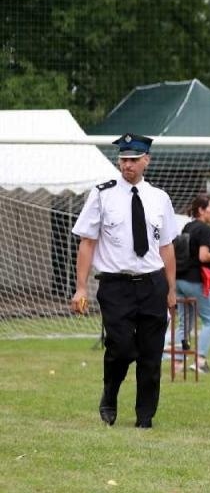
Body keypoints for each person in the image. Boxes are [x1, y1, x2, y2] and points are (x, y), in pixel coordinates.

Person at [69, 134, 178, 428]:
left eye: (133, 159)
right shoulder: (102, 194)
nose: (127, 165)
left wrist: (171, 289)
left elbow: (166, 246)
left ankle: (145, 416)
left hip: (152, 283)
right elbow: (87, 243)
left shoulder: (159, 198)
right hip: (115, 285)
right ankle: (110, 394)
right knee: (121, 347)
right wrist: (81, 287)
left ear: (146, 160)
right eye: (123, 159)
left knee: (151, 354)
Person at [176, 194, 210, 374]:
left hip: (178, 280)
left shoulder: (187, 226)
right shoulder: (205, 230)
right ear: (201, 210)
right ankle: (200, 360)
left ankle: (178, 362)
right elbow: (203, 257)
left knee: (185, 322)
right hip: (194, 279)